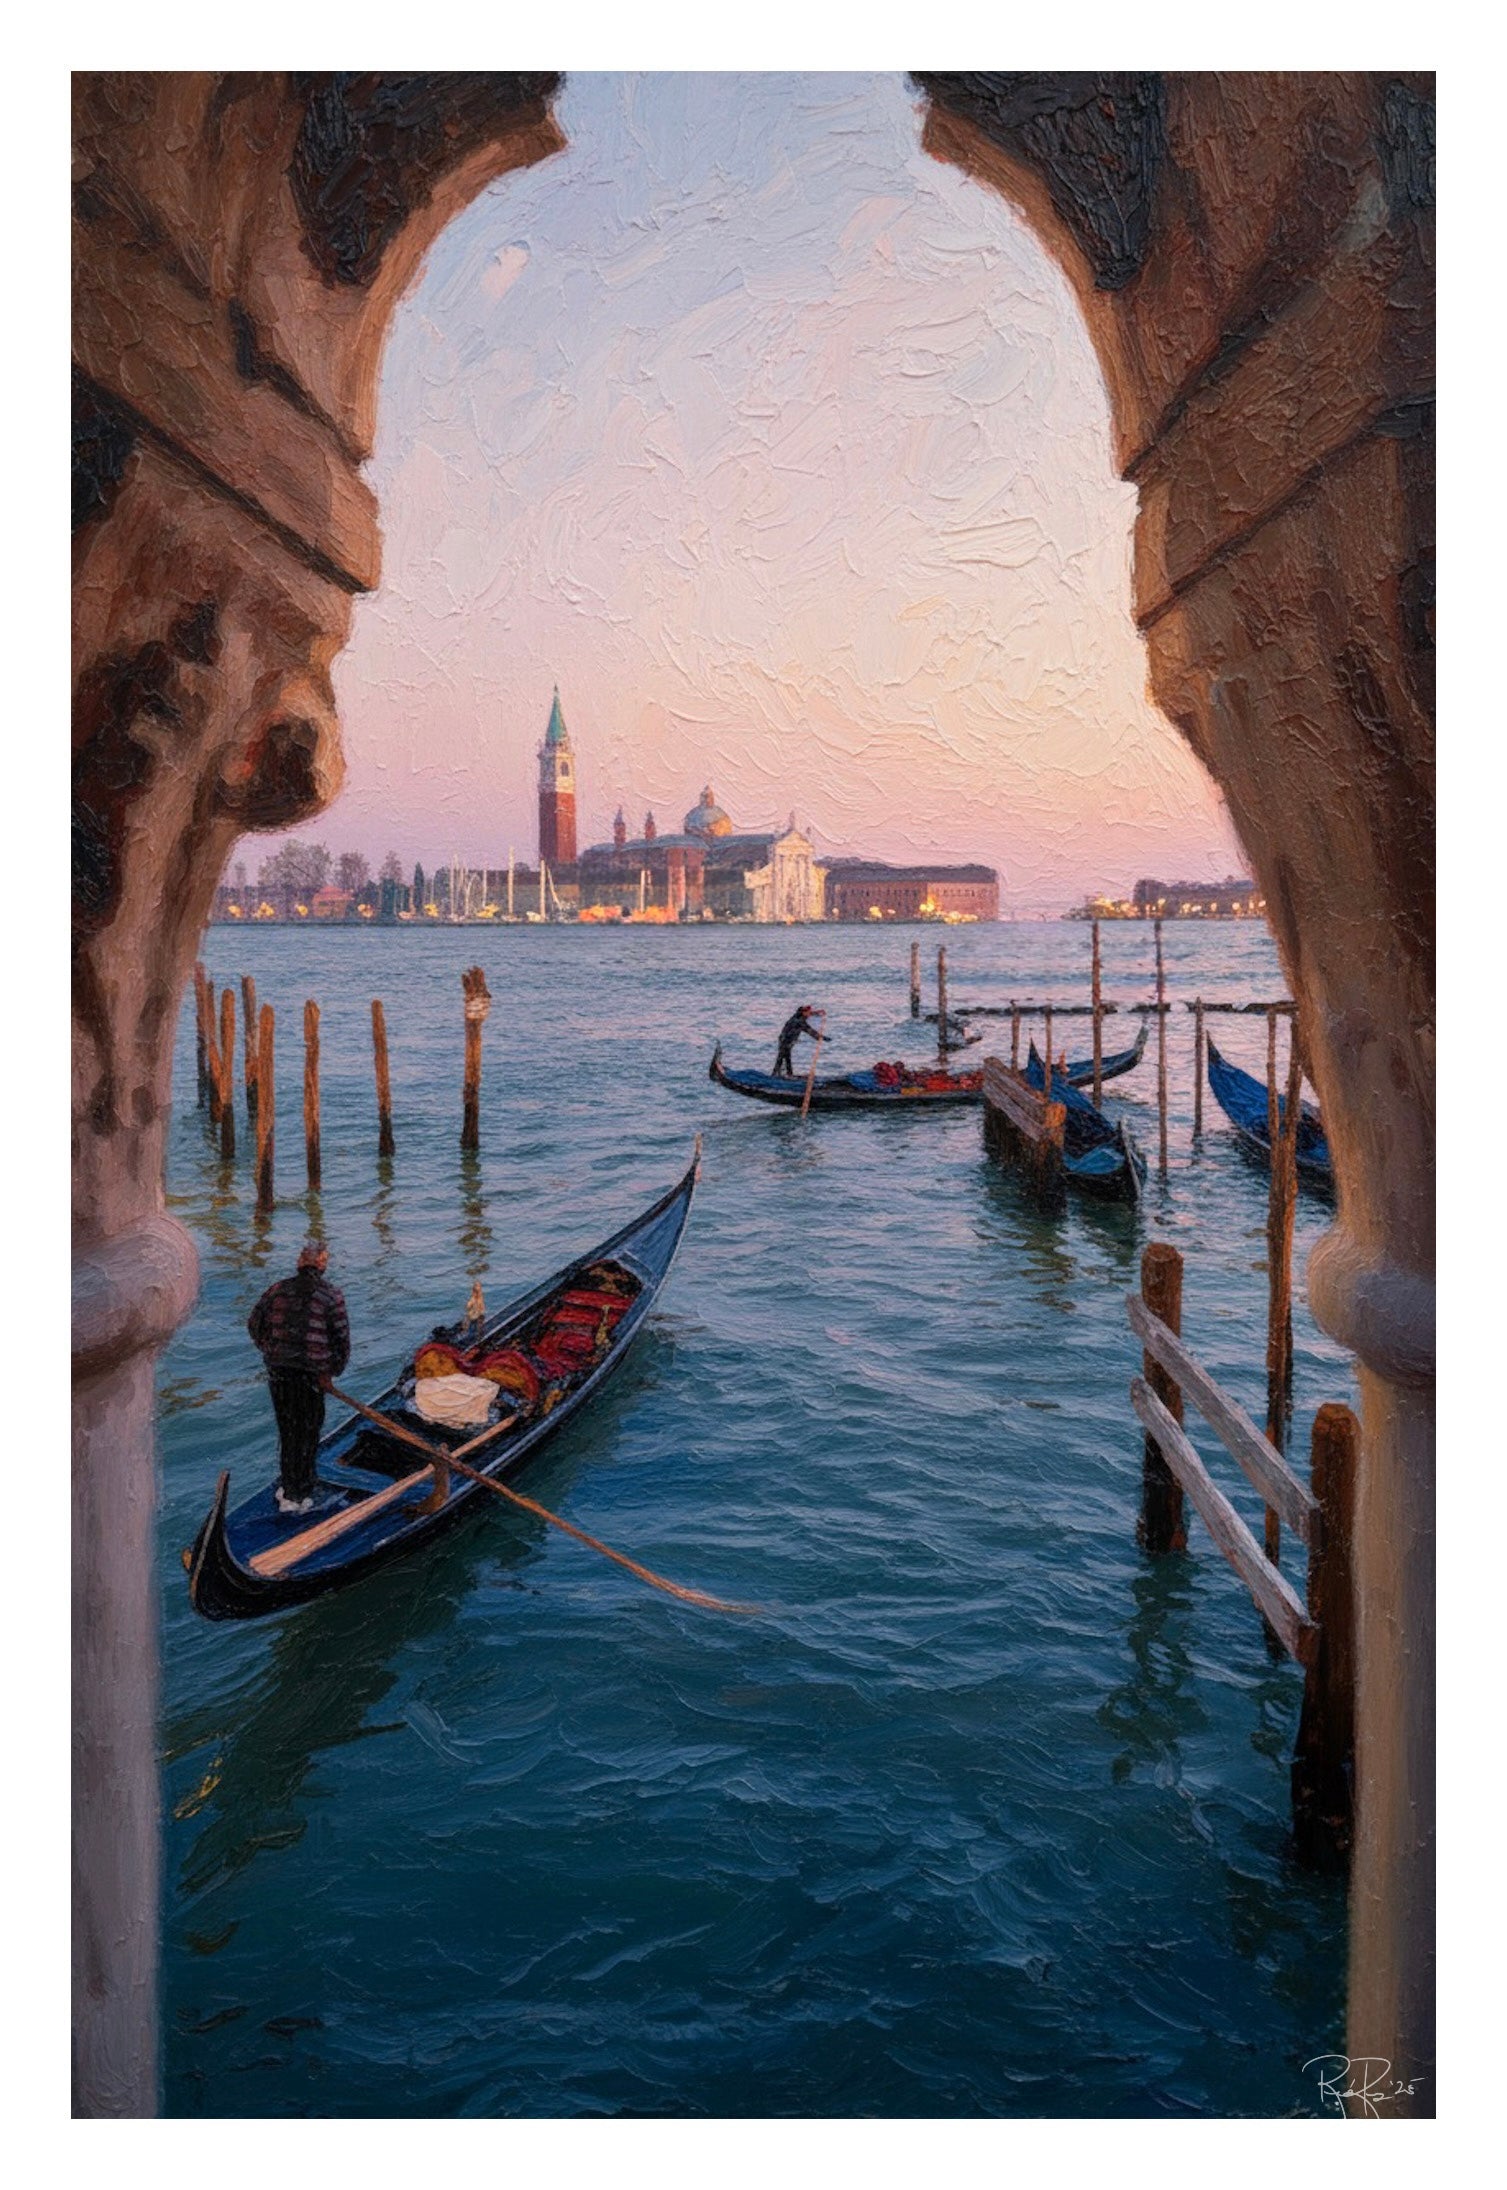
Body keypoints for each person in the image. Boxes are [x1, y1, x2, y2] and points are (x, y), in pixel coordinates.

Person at [247, 1241, 351, 1513]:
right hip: (311, 1376)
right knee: (308, 1430)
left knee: (289, 1429)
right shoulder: (331, 1295)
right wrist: (330, 1373)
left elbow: (254, 1324)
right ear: (323, 1264)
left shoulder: (276, 1290)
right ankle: (301, 1491)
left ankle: (291, 1487)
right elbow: (341, 1342)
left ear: (299, 1263)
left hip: (279, 1371)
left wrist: (271, 1351)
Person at [773, 1004, 823, 1078]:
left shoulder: (798, 1015)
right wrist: (821, 1037)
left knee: (786, 1057)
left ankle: (787, 1074)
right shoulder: (799, 1021)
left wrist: (817, 1013)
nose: (809, 1015)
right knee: (782, 1058)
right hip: (786, 1040)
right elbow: (809, 1031)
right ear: (804, 1013)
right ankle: (777, 1075)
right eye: (809, 1013)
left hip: (786, 1039)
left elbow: (805, 1012)